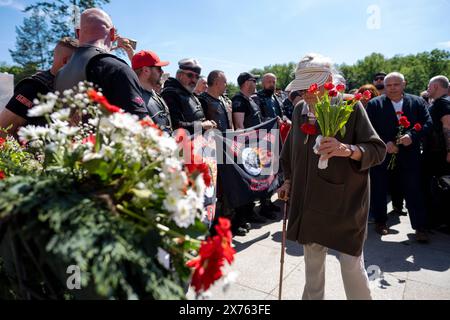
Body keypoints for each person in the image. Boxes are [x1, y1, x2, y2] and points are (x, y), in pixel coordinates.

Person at [278, 53, 386, 300]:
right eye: (301, 89)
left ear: (328, 80)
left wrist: (347, 149)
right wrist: (288, 181)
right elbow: (291, 150)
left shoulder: (350, 105)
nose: (305, 94)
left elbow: (377, 150)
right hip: (309, 202)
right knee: (313, 267)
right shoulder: (299, 110)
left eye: (309, 87)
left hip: (345, 202)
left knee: (351, 265)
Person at [366, 72, 432, 242]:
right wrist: (383, 142)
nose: (392, 88)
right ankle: (380, 222)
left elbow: (427, 123)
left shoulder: (416, 102)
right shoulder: (374, 104)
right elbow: (368, 128)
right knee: (379, 189)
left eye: (396, 84)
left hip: (410, 155)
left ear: (404, 84)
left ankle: (420, 227)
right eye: (388, 85)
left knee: (414, 190)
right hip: (383, 155)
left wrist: (412, 136)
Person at [54, 8, 147, 118]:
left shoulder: (60, 73)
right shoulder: (117, 68)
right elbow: (141, 124)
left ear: (78, 34)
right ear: (112, 33)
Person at [0, 37, 79, 137]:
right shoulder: (32, 88)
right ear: (66, 61)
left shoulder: (76, 90)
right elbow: (2, 131)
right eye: (80, 63)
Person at [231, 72, 267, 235]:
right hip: (247, 147)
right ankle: (241, 217)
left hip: (255, 145)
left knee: (255, 181)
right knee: (246, 183)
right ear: (246, 83)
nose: (256, 83)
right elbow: (239, 126)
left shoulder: (250, 99)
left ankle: (250, 213)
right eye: (254, 81)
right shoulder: (239, 100)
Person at [161, 58, 216, 134]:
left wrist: (208, 124)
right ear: (179, 75)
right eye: (190, 75)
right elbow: (174, 125)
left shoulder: (190, 94)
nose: (194, 80)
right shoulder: (170, 94)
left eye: (197, 77)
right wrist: (201, 125)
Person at [423, 75, 450, 230]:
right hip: (436, 153)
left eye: (429, 85)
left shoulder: (443, 104)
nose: (427, 88)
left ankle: (443, 221)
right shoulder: (440, 103)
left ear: (435, 87)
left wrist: (449, 150)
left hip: (439, 154)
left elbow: (447, 127)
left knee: (442, 188)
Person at [131, 50, 173, 133]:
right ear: (146, 70)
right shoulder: (135, 99)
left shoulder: (156, 95)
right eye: (159, 69)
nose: (162, 72)